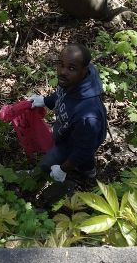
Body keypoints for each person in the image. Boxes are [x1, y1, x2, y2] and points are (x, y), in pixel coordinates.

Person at [27, 43, 107, 200]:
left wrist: (62, 169)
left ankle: (85, 174)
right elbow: (60, 95)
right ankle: (88, 169)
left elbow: (84, 148)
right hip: (70, 132)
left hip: (74, 140)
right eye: (61, 65)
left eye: (71, 68)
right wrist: (45, 101)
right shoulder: (70, 82)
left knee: (49, 163)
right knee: (85, 155)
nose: (63, 72)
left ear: (84, 70)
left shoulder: (87, 115)